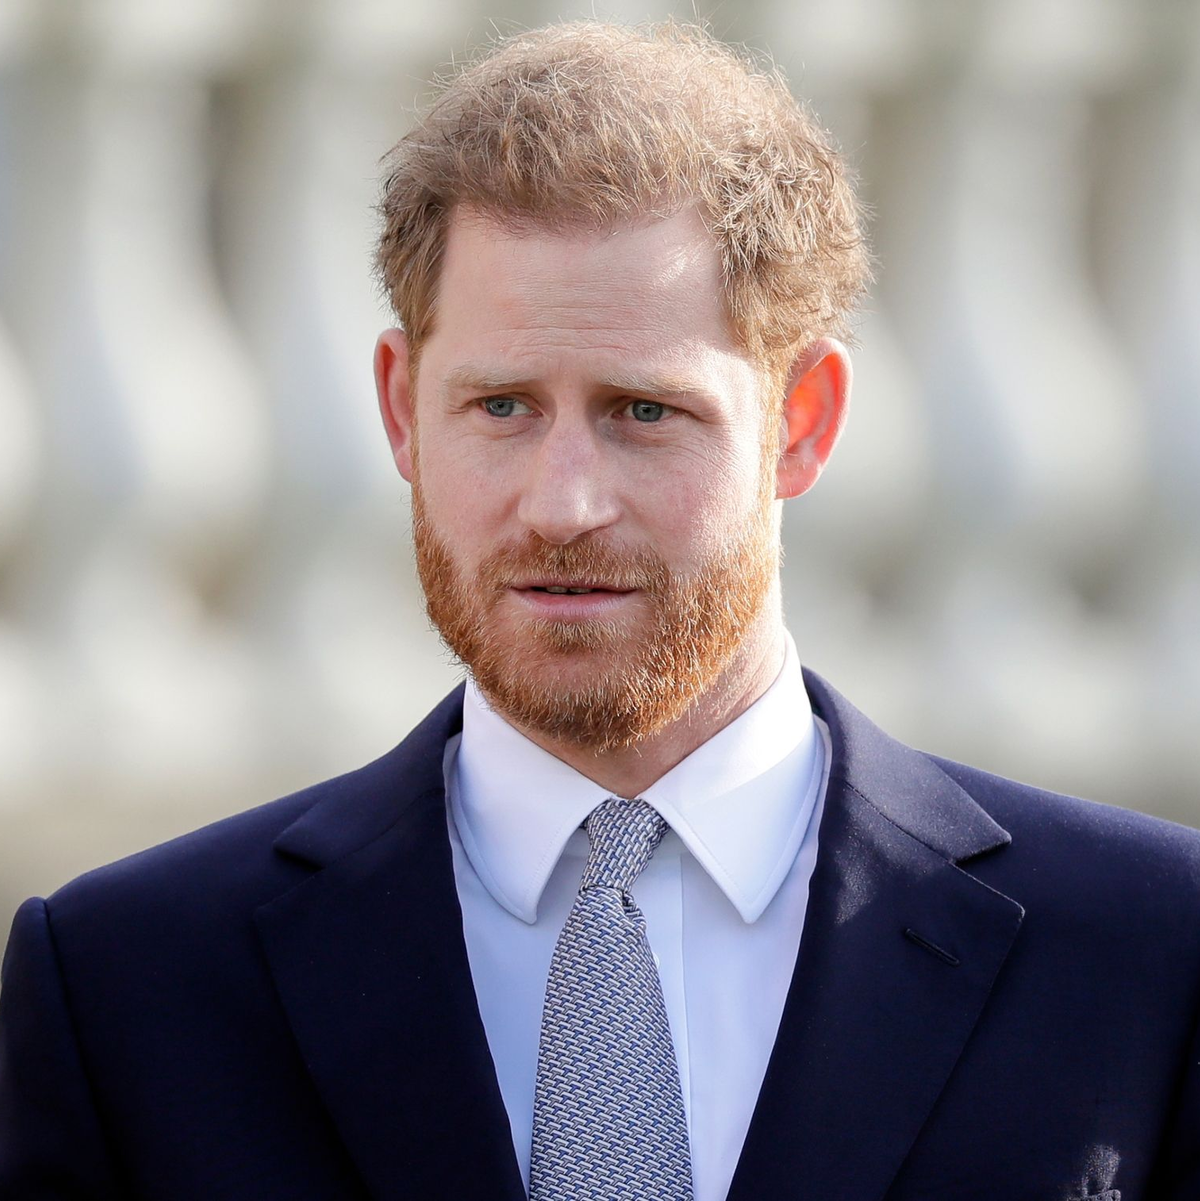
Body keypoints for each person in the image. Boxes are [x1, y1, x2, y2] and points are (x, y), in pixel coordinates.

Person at [1, 19, 1198, 1201]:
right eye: (504, 407)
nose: (563, 503)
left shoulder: (1148, 948)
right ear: (402, 408)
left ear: (805, 420)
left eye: (641, 411)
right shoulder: (126, 986)